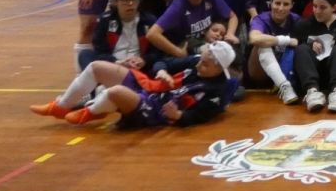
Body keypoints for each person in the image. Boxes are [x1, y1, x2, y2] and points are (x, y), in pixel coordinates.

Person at [31, 41, 235, 128]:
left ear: (219, 68)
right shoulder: (197, 61)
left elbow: (199, 116)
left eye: (205, 65)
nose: (198, 65)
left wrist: (179, 116)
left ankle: (91, 111)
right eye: (200, 60)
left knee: (115, 92)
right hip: (152, 86)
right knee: (97, 66)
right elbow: (163, 62)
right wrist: (162, 71)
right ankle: (61, 106)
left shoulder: (216, 92)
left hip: (155, 110)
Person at [147, 0, 240, 61]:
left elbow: (232, 16)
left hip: (205, 44)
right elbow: (152, 34)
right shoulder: (179, 5)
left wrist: (230, 34)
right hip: (186, 50)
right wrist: (178, 52)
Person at [80, 0, 160, 72]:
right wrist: (117, 62)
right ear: (115, 2)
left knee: (160, 65)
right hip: (112, 66)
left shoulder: (149, 20)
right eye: (125, 0)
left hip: (139, 68)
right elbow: (100, 51)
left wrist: (144, 60)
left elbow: (156, 52)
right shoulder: (105, 20)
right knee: (85, 54)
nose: (130, 4)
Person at [292, 0, 336, 113]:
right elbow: (294, 42)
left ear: (334, 7)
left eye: (322, 7)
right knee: (301, 48)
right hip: (313, 71)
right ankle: (312, 91)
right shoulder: (304, 25)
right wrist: (309, 43)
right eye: (315, 6)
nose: (317, 11)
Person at [247, 0, 301, 104]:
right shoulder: (261, 19)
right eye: (277, 3)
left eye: (285, 4)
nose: (280, 8)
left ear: (292, 5)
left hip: (287, 68)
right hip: (260, 71)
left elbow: (302, 42)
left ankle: (286, 85)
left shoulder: (296, 20)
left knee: (299, 48)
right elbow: (254, 39)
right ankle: (284, 85)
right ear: (271, 3)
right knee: (262, 44)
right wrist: (286, 40)